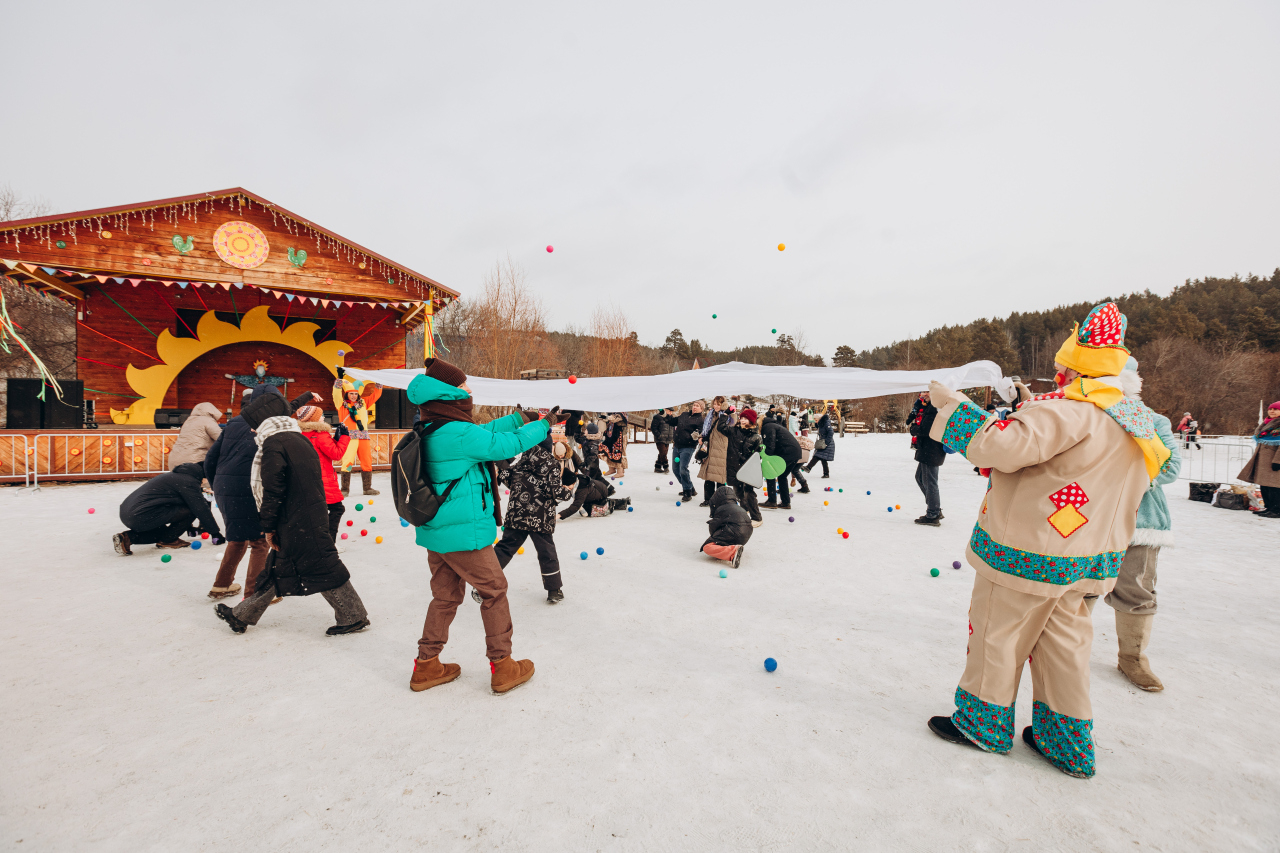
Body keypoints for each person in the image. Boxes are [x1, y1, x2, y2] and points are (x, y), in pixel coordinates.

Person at [925, 302, 1170, 779]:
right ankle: (1066, 740)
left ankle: (983, 723)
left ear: (1073, 369)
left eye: (1061, 366)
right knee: (1066, 647)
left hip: (1029, 552)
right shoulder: (1136, 422)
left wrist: (953, 407)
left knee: (998, 634)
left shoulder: (1068, 413)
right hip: (1090, 559)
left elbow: (1002, 446)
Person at [404, 358, 550, 694]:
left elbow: (482, 434)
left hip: (439, 530)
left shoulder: (436, 423)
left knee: (444, 597)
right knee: (494, 591)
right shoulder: (457, 430)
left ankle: (426, 665)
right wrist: (543, 426)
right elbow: (503, 446)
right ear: (450, 392)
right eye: (463, 386)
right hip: (462, 534)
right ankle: (503, 666)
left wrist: (520, 418)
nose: (469, 390)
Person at [214, 391, 370, 636]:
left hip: (297, 519)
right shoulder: (297, 438)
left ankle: (353, 616)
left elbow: (273, 491)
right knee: (276, 570)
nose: (253, 430)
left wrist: (268, 526)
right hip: (306, 514)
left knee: (324, 566)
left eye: (255, 425)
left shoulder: (274, 444)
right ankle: (242, 615)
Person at [1096, 358, 1181, 691]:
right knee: (1078, 587)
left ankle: (1132, 658)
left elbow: (1170, 469)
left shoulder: (1154, 421)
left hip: (1140, 521)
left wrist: (1120, 477)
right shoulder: (1085, 418)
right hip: (1089, 520)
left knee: (1136, 589)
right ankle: (1062, 653)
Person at [204, 384, 317, 600]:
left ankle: (221, 585)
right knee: (259, 542)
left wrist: (219, 486)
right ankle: (255, 594)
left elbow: (210, 459)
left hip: (226, 488)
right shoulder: (273, 426)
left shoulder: (234, 423)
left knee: (237, 539)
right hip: (253, 486)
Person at [495, 435, 572, 603]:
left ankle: (484, 582)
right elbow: (554, 490)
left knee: (506, 547)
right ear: (549, 446)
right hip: (541, 517)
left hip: (518, 515)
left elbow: (508, 479)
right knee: (546, 552)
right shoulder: (551, 464)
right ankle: (554, 590)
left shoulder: (521, 462)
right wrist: (568, 491)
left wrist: (502, 465)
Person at [113, 462, 225, 556]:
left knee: (163, 532)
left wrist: (188, 526)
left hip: (129, 514)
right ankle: (169, 540)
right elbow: (200, 508)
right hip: (142, 515)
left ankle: (127, 538)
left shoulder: (175, 476)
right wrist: (215, 533)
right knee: (185, 516)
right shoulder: (188, 482)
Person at [294, 404, 351, 540]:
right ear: (313, 419)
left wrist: (335, 440)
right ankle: (328, 542)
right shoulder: (319, 434)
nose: (323, 418)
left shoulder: (300, 434)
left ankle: (312, 539)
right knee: (337, 509)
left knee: (314, 512)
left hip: (307, 480)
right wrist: (344, 437)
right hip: (323, 480)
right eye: (321, 416)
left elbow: (323, 452)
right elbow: (336, 454)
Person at [332, 372, 383, 496]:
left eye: (355, 393)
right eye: (351, 393)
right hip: (348, 437)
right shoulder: (341, 404)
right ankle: (344, 489)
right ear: (347, 394)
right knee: (347, 461)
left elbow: (376, 395)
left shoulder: (363, 403)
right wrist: (339, 378)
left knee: (367, 461)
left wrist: (379, 379)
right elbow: (336, 392)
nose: (354, 396)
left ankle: (367, 488)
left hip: (363, 437)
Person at [909, 390, 946, 526]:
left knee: (930, 482)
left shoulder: (934, 409)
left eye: (926, 393)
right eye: (922, 393)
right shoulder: (930, 407)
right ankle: (934, 508)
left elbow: (926, 430)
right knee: (920, 478)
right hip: (927, 450)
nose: (923, 396)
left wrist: (913, 429)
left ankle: (933, 514)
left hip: (932, 450)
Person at [1238, 401, 1280, 518]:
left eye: (1275, 409)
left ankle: (1277, 510)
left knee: (1274, 486)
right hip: (1263, 460)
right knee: (1264, 485)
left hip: (1274, 460)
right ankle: (1269, 507)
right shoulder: (1266, 424)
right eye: (1270, 409)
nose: (1272, 411)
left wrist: (1278, 461)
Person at [723, 408, 763, 525]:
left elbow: (758, 455)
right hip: (734, 467)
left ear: (751, 421)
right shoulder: (734, 431)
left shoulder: (756, 437)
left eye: (746, 419)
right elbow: (721, 428)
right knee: (738, 492)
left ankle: (757, 517)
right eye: (742, 418)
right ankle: (744, 512)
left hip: (748, 469)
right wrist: (725, 414)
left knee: (748, 493)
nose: (743, 420)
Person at [761, 411, 805, 509]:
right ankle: (785, 502)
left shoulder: (767, 427)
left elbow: (770, 445)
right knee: (782, 476)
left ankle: (772, 501)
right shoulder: (775, 425)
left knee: (770, 472)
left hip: (788, 452)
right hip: (795, 452)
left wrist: (766, 459)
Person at [701, 484, 751, 568]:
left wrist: (714, 538)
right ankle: (734, 547)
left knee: (707, 547)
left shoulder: (722, 509)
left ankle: (733, 552)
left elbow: (714, 527)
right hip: (745, 536)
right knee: (725, 536)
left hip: (734, 533)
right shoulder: (739, 508)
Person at [167, 402, 223, 470]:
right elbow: (221, 438)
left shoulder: (188, 421)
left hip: (174, 460)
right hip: (194, 461)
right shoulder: (208, 421)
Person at [697, 402, 732, 507]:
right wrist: (701, 437)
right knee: (709, 476)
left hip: (721, 449)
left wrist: (728, 413)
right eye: (715, 404)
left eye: (719, 404)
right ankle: (708, 499)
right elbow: (705, 430)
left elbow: (731, 429)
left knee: (719, 477)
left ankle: (720, 501)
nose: (716, 406)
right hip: (709, 448)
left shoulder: (729, 417)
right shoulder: (710, 415)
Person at [672, 401, 704, 502]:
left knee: (683, 469)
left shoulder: (700, 420)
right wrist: (665, 415)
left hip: (688, 447)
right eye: (694, 405)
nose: (695, 407)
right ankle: (690, 487)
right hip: (677, 446)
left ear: (701, 409)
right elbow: (673, 421)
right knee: (675, 469)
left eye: (697, 406)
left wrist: (696, 435)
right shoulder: (684, 414)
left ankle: (687, 491)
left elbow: (700, 431)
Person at [804, 404, 835, 477]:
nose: (816, 421)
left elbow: (831, 432)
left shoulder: (826, 423)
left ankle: (808, 467)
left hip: (827, 443)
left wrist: (826, 442)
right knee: (822, 458)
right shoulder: (822, 424)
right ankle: (826, 474)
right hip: (823, 443)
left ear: (820, 419)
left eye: (816, 420)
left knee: (818, 456)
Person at [602, 412, 628, 477]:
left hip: (620, 434)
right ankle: (611, 468)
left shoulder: (622, 412)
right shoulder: (611, 411)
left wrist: (608, 417)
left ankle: (620, 471)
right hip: (611, 433)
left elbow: (617, 419)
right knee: (609, 450)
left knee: (618, 452)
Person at [650, 407, 675, 473]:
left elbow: (672, 428)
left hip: (668, 438)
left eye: (671, 412)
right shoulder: (658, 417)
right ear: (665, 410)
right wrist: (659, 435)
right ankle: (666, 467)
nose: (671, 413)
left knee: (663, 453)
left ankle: (657, 467)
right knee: (663, 453)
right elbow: (653, 428)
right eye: (670, 411)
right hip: (660, 439)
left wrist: (673, 436)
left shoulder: (671, 418)